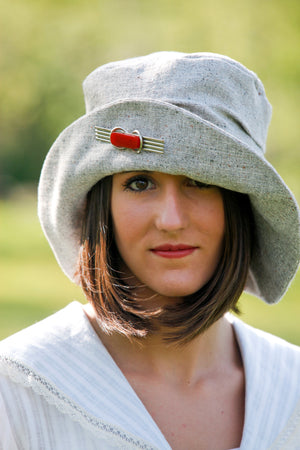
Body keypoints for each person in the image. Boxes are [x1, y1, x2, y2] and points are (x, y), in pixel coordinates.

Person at [0, 52, 299, 450]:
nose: (171, 219)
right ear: (98, 206)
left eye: (199, 180)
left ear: (241, 206)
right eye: (140, 183)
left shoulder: (292, 386)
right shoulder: (17, 387)